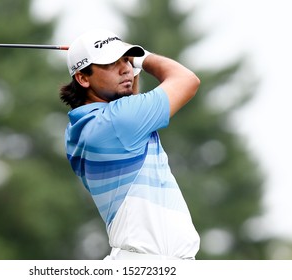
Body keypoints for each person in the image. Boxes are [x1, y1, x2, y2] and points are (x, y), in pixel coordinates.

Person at [60, 29, 201, 260]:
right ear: (83, 78)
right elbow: (187, 80)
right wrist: (141, 57)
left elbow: (131, 100)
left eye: (126, 60)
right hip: (150, 265)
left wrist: (122, 62)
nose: (125, 68)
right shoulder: (119, 122)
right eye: (110, 63)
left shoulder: (83, 127)